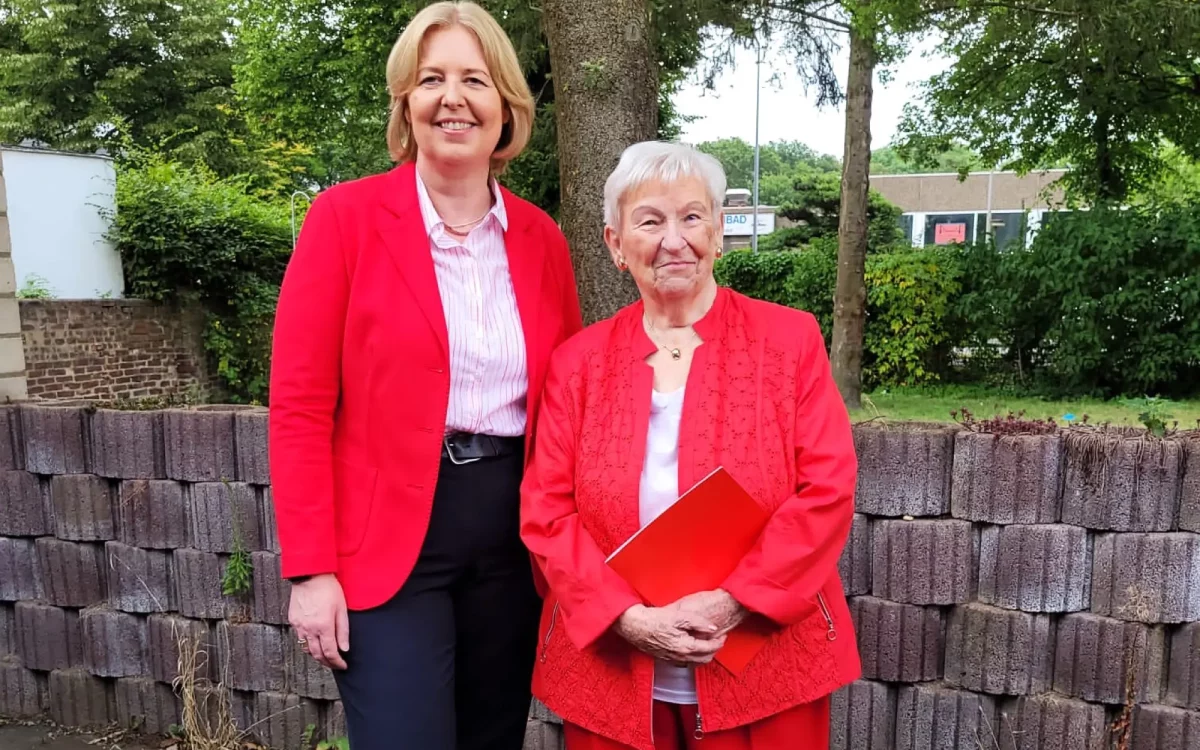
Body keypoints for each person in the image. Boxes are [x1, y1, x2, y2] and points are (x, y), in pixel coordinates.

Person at [268, 3, 582, 749]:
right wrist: (311, 572)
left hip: (511, 536)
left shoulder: (541, 239)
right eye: (432, 78)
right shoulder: (343, 220)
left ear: (505, 106)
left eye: (475, 79)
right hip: (385, 546)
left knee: (492, 738)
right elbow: (300, 407)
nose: (453, 97)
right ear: (407, 103)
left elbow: (570, 403)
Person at [519, 141, 861, 750]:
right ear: (615, 245)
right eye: (649, 220)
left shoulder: (790, 340)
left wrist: (734, 602)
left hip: (765, 667)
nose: (673, 239)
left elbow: (827, 491)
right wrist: (627, 618)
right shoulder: (576, 365)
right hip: (614, 671)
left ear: (719, 233)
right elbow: (546, 513)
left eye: (692, 217)